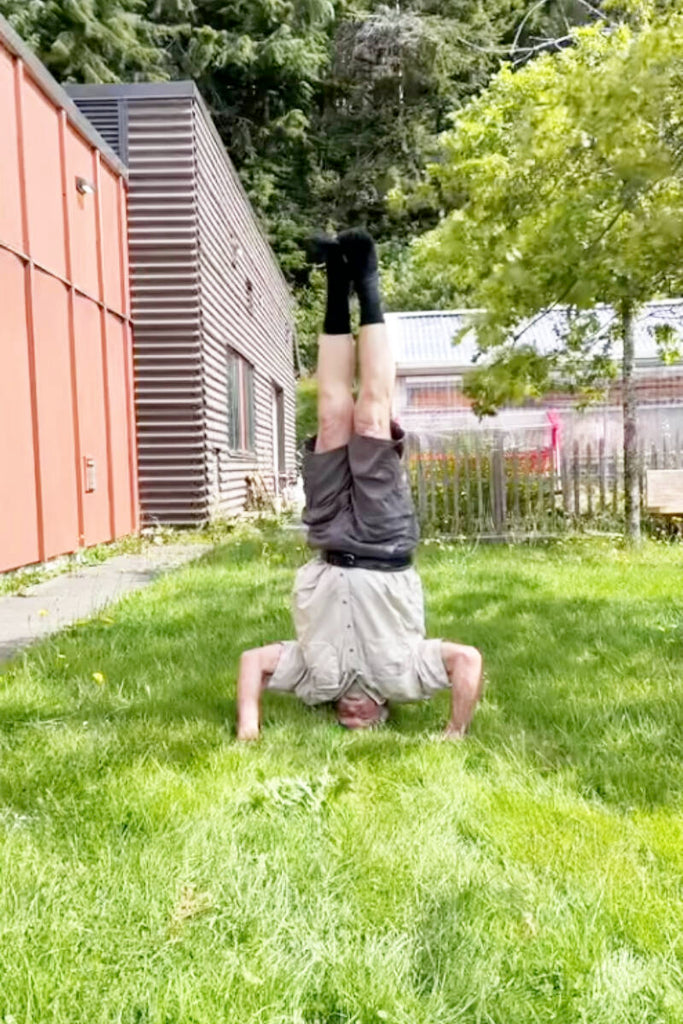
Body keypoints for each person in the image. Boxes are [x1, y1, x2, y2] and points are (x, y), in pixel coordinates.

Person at [236, 229, 482, 740]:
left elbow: (252, 661)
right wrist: (456, 731)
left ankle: (334, 278)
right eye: (364, 721)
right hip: (384, 540)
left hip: (328, 539)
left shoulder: (312, 682)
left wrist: (249, 730)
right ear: (385, 711)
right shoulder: (407, 679)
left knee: (331, 418)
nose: (352, 717)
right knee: (370, 417)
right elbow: (468, 660)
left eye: (343, 722)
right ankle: (366, 279)